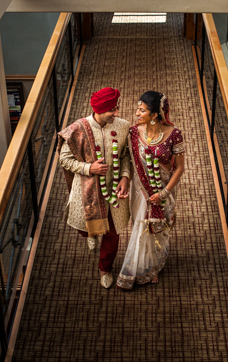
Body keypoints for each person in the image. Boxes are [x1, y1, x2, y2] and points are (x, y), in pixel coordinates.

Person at [57, 87, 132, 288]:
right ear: (98, 110)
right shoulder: (77, 129)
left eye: (117, 108)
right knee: (88, 228)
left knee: (112, 234)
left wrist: (125, 177)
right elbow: (64, 158)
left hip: (114, 191)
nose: (116, 114)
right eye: (112, 110)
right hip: (87, 191)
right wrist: (89, 168)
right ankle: (90, 234)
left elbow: (125, 154)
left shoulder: (123, 126)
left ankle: (105, 269)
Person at [117, 91, 186, 289]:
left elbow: (180, 168)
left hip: (163, 190)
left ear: (154, 114)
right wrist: (125, 178)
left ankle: (153, 265)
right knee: (141, 225)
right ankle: (139, 267)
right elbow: (128, 160)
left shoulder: (174, 134)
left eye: (142, 110)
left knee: (159, 229)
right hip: (141, 189)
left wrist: (163, 194)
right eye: (138, 109)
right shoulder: (133, 133)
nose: (137, 113)